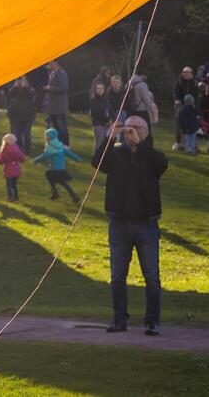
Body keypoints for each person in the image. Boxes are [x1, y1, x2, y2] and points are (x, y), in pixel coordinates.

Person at [95, 115, 168, 335]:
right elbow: (97, 163)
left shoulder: (152, 156)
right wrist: (109, 137)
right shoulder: (116, 154)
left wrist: (140, 145)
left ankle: (152, 321)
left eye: (137, 128)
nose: (131, 132)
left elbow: (161, 166)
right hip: (119, 223)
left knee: (151, 277)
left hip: (146, 225)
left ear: (146, 132)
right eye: (128, 128)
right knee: (117, 276)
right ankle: (119, 320)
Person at [33, 127, 84, 202]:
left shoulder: (51, 146)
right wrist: (78, 159)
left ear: (50, 137)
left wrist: (36, 160)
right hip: (59, 168)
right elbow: (69, 153)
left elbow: (45, 155)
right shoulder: (59, 145)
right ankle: (55, 193)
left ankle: (73, 195)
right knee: (49, 175)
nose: (45, 137)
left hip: (56, 168)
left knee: (62, 182)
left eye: (47, 135)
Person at [7, 78, 38, 156]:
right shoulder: (15, 88)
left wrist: (25, 87)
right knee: (17, 133)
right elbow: (10, 95)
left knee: (26, 133)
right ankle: (18, 150)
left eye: (22, 81)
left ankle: (27, 150)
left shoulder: (29, 87)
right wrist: (15, 87)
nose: (21, 82)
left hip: (28, 115)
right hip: (16, 114)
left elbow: (31, 95)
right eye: (19, 81)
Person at [43, 62, 71, 146]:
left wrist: (50, 88)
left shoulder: (61, 74)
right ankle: (58, 144)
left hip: (59, 106)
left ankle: (65, 144)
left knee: (62, 127)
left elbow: (63, 88)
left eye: (51, 63)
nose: (49, 65)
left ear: (56, 63)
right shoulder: (52, 73)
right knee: (55, 127)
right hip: (53, 106)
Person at [124, 70, 160, 134]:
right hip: (142, 111)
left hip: (131, 111)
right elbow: (147, 99)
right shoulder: (142, 85)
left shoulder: (129, 83)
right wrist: (152, 112)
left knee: (134, 131)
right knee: (145, 131)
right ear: (143, 76)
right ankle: (144, 143)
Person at [173, 67, 197, 150]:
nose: (186, 74)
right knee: (179, 124)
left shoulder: (194, 83)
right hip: (180, 106)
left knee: (190, 125)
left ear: (191, 74)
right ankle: (177, 142)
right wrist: (176, 100)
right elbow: (175, 92)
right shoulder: (179, 82)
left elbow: (196, 94)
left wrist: (194, 104)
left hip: (190, 107)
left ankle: (188, 143)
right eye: (185, 72)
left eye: (188, 72)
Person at [0, 133, 26, 202]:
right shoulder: (17, 149)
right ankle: (16, 198)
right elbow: (23, 159)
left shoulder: (5, 150)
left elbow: (1, 161)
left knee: (9, 185)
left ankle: (10, 197)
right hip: (17, 169)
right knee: (14, 185)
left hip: (8, 170)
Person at [89, 81, 114, 154]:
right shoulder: (93, 100)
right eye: (98, 88)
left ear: (104, 89)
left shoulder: (106, 100)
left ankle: (102, 159)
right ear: (95, 90)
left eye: (101, 88)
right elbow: (96, 113)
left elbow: (111, 110)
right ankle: (96, 159)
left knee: (105, 143)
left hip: (107, 124)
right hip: (98, 124)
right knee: (99, 143)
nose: (100, 90)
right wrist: (107, 120)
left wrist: (112, 119)